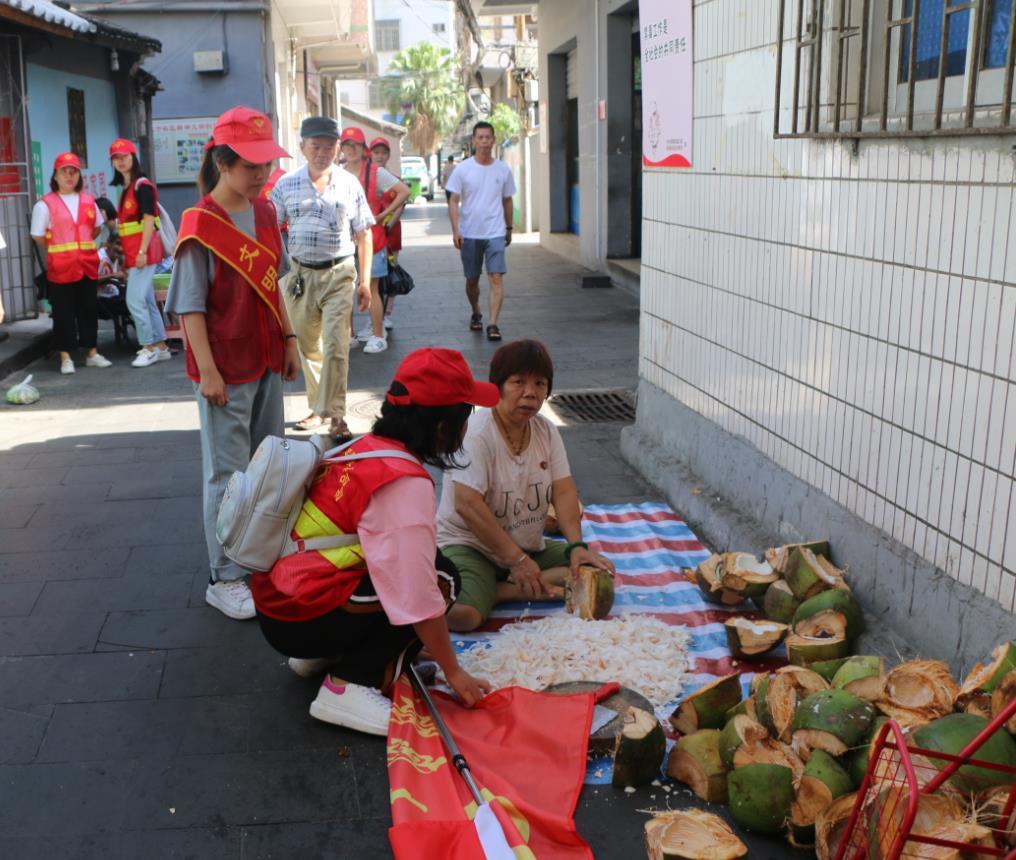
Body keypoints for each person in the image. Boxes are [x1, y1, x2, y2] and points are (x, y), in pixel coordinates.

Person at [252, 347, 496, 735]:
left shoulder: (363, 448)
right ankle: (349, 683)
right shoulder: (402, 481)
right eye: (466, 415)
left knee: (423, 570)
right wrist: (455, 671)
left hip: (278, 602)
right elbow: (418, 596)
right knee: (442, 579)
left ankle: (324, 655)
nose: (469, 427)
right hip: (299, 614)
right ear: (441, 428)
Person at [165, 106, 301, 620]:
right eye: (251, 166)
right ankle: (224, 575)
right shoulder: (199, 224)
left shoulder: (264, 212)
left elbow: (275, 287)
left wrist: (288, 338)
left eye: (266, 164)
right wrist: (210, 373)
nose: (262, 174)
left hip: (266, 355)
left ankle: (261, 556)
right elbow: (190, 307)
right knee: (227, 474)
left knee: (269, 466)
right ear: (222, 163)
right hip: (225, 365)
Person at [436, 339, 615, 632]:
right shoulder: (478, 434)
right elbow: (466, 504)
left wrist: (576, 545)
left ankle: (497, 588)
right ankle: (506, 589)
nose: (530, 393)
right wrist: (516, 560)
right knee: (465, 616)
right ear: (498, 386)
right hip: (469, 545)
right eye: (518, 382)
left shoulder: (546, 430)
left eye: (540, 384)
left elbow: (564, 489)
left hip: (524, 544)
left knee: (596, 572)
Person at [270, 116, 372, 442]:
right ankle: (318, 407)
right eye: (316, 146)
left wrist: (366, 281)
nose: (323, 152)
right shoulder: (285, 185)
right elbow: (270, 231)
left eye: (330, 146)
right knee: (308, 346)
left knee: (337, 346)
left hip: (339, 273)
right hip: (299, 276)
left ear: (338, 148)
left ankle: (337, 415)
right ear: (302, 148)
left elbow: (364, 234)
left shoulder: (349, 183)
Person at [30, 152, 113, 375]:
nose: (69, 176)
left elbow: (96, 228)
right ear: (55, 176)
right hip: (61, 266)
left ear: (79, 176)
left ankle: (91, 353)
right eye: (64, 171)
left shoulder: (88, 201)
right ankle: (66, 358)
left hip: (86, 264)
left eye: (73, 171)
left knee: (89, 310)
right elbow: (38, 236)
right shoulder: (45, 204)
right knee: (63, 312)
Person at [340, 127, 410, 354]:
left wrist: (382, 215)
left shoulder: (376, 172)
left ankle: (378, 335)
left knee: (372, 287)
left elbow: (403, 191)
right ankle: (349, 334)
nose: (351, 150)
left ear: (363, 149)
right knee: (344, 289)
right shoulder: (337, 173)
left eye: (355, 145)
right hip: (343, 241)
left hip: (373, 239)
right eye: (346, 145)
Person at [445, 122, 516, 342]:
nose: (484, 142)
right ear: (474, 141)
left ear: (494, 140)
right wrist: (456, 229)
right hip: (470, 233)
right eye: (480, 138)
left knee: (496, 277)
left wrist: (509, 227)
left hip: (494, 231)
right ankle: (476, 310)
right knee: (472, 280)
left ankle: (493, 324)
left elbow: (507, 200)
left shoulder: (503, 169)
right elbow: (454, 200)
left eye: (488, 137)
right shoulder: (463, 169)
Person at [108, 138, 172, 367]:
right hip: (137, 252)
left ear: (133, 157)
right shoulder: (127, 188)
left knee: (134, 300)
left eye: (124, 156)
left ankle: (148, 347)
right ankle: (161, 346)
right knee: (146, 300)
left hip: (144, 251)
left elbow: (148, 220)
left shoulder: (141, 186)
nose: (120, 161)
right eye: (116, 157)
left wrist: (143, 251)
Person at [369, 136, 406, 331]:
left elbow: (400, 206)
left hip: (391, 233)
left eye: (383, 153)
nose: (380, 156)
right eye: (376, 152)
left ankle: (386, 314)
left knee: (390, 275)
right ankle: (375, 317)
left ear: (389, 155)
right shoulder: (366, 179)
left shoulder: (395, 180)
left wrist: (389, 224)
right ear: (370, 154)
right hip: (373, 234)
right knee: (374, 276)